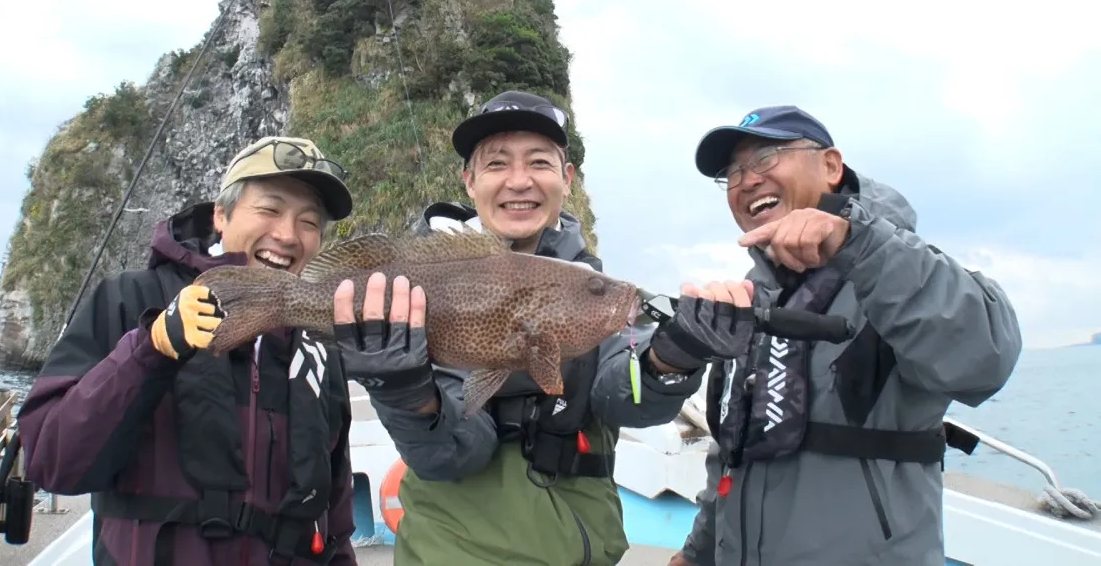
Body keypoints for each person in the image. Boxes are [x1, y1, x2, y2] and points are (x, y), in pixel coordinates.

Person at [330, 90, 750, 566]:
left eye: (539, 162)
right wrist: (405, 392)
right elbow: (453, 454)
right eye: (496, 164)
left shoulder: (588, 285)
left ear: (566, 179)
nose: (519, 181)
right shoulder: (422, 287)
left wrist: (670, 359)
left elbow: (622, 392)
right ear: (469, 182)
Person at [668, 106, 1023, 566]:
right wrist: (697, 552)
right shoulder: (751, 300)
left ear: (832, 166)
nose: (747, 180)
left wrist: (859, 242)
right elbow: (735, 446)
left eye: (766, 158)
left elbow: (985, 359)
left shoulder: (899, 275)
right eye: (732, 173)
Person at [17, 136, 360, 566]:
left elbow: (335, 520)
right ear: (221, 215)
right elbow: (51, 461)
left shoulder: (318, 342)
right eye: (269, 210)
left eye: (308, 222)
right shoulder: (129, 299)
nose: (288, 235)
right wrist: (149, 350)